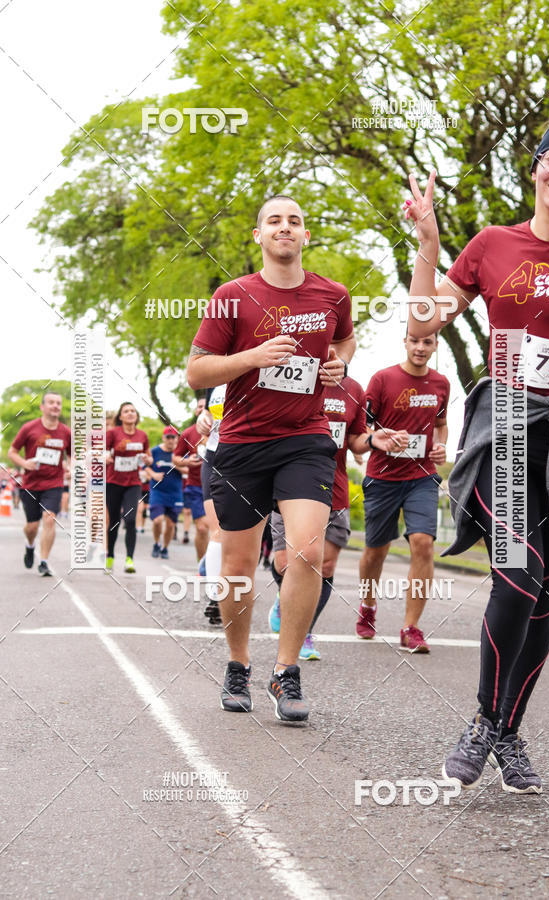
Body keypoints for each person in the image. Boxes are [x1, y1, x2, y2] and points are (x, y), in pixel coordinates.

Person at [406, 112, 549, 793]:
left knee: (546, 600)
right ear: (536, 165)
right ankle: (485, 723)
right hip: (511, 425)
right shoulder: (492, 244)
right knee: (518, 575)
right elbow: (424, 322)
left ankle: (508, 732)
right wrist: (429, 246)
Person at [187, 194, 356, 722]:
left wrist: (339, 365)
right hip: (242, 444)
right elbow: (197, 371)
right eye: (275, 220)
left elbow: (346, 341)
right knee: (238, 565)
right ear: (258, 235)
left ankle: (286, 670)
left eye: (295, 220)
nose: (286, 227)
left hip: (305, 438)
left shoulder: (333, 294)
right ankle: (238, 663)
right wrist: (253, 358)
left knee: (306, 551)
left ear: (306, 235)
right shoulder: (232, 296)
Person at [355, 332, 449, 652]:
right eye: (415, 341)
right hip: (382, 478)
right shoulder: (382, 380)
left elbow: (441, 425)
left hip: (422, 476)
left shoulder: (441, 384)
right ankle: (368, 604)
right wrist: (382, 437)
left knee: (423, 544)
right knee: (376, 552)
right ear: (405, 342)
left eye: (428, 342)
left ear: (436, 345)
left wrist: (441, 446)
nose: (420, 348)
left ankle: (411, 628)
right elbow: (363, 428)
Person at [268, 373, 374, 660]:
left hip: (334, 486)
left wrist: (375, 440)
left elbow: (356, 439)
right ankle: (284, 599)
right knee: (285, 563)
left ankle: (304, 631)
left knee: (324, 566)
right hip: (291, 484)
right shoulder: (292, 374)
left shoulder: (353, 389)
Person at [8, 392, 71, 576]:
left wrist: (71, 468)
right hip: (31, 484)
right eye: (51, 402)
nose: (55, 406)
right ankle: (30, 545)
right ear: (42, 407)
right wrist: (24, 463)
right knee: (32, 527)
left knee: (50, 518)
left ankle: (44, 562)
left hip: (54, 483)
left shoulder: (66, 432)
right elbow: (12, 452)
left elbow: (72, 454)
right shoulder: (29, 428)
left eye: (58, 403)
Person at [105, 402, 151, 573]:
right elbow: (101, 451)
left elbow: (149, 457)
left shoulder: (142, 435)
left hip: (133, 483)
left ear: (136, 415)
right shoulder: (113, 433)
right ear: (121, 416)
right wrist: (105, 457)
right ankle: (110, 556)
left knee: (131, 519)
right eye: (126, 411)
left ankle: (129, 559)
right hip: (113, 482)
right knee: (114, 521)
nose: (130, 413)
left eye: (133, 411)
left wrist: (148, 460)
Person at [195, 384, 227, 625]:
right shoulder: (214, 379)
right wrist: (202, 420)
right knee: (217, 530)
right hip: (214, 457)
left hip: (249, 458)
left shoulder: (256, 368)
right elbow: (207, 413)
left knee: (240, 537)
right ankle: (216, 599)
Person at [173, 415, 210, 562]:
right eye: (199, 407)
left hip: (221, 486)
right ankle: (202, 565)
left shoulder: (225, 428)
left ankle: (215, 565)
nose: (202, 410)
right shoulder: (188, 433)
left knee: (219, 530)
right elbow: (176, 458)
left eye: (205, 407)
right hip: (196, 486)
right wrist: (187, 461)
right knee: (202, 528)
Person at [147, 426, 185, 560]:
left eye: (173, 437)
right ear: (163, 438)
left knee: (170, 524)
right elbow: (145, 466)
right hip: (158, 491)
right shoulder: (155, 451)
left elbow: (189, 469)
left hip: (175, 493)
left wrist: (177, 465)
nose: (170, 440)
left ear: (177, 438)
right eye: (168, 437)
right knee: (157, 520)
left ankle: (165, 548)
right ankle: (156, 543)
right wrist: (153, 474)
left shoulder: (180, 453)